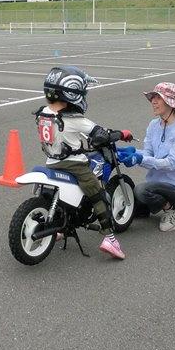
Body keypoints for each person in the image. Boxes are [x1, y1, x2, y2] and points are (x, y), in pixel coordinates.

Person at [35, 66, 132, 260]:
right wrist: (121, 134)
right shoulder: (74, 120)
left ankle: (60, 227)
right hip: (74, 164)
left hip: (51, 162)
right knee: (98, 195)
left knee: (62, 195)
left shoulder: (43, 113)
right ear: (73, 93)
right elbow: (100, 134)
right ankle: (110, 239)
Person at [118, 82, 175, 232]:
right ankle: (173, 204)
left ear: (171, 103)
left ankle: (173, 208)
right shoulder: (154, 124)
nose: (153, 101)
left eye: (158, 98)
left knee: (142, 191)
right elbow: (148, 153)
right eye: (152, 97)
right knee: (135, 202)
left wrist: (139, 159)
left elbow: (171, 163)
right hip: (156, 184)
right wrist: (133, 152)